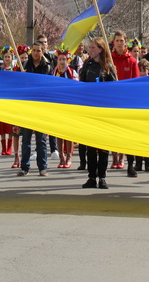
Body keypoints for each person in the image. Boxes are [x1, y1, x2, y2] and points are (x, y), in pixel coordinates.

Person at [79, 37, 117, 189]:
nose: (90, 49)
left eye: (93, 47)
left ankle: (102, 177)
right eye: (90, 47)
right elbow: (81, 86)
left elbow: (114, 89)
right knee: (90, 147)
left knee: (103, 147)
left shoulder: (108, 67)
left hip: (103, 110)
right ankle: (91, 177)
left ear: (101, 49)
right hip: (90, 110)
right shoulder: (87, 65)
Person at [18, 41, 52, 177]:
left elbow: (50, 86)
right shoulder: (25, 66)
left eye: (39, 50)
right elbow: (20, 87)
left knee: (41, 140)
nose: (36, 53)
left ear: (43, 52)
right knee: (26, 139)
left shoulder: (47, 67)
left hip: (41, 106)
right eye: (34, 50)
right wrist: (22, 77)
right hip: (28, 106)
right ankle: (24, 167)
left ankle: (42, 167)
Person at [110, 30, 140, 174]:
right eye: (117, 41)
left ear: (125, 42)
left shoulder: (132, 61)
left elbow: (136, 83)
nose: (120, 43)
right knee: (113, 132)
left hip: (127, 102)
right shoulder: (109, 60)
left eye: (122, 41)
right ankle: (115, 158)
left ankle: (129, 163)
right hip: (112, 101)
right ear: (113, 42)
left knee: (128, 134)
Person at [52, 46, 78, 168]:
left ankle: (69, 157)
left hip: (69, 105)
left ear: (68, 60)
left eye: (64, 59)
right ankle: (61, 156)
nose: (62, 62)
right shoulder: (54, 72)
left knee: (69, 133)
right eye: (60, 59)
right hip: (58, 105)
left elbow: (76, 88)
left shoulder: (72, 73)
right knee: (59, 133)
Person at [0, 46, 15, 156]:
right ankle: (3, 147)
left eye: (9, 57)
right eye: (5, 57)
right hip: (1, 99)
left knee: (10, 124)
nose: (7, 59)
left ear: (12, 58)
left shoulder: (15, 69)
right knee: (2, 124)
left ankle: (10, 147)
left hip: (11, 100)